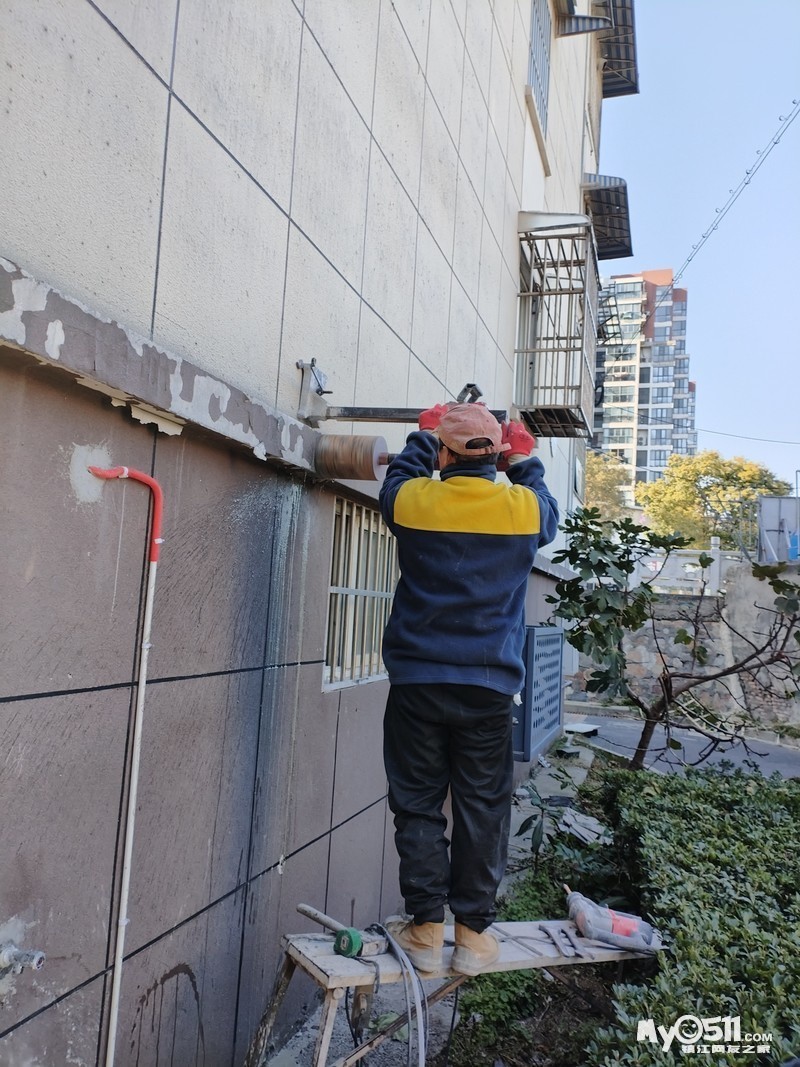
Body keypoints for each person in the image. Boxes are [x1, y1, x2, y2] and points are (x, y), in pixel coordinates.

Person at [378, 401, 559, 976]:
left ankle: (425, 930)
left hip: (418, 682)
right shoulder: (524, 511)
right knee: (484, 808)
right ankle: (474, 938)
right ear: (495, 457)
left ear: (444, 455)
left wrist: (423, 433)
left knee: (418, 804)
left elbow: (398, 479)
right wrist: (521, 458)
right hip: (488, 688)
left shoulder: (414, 501)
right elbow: (546, 505)